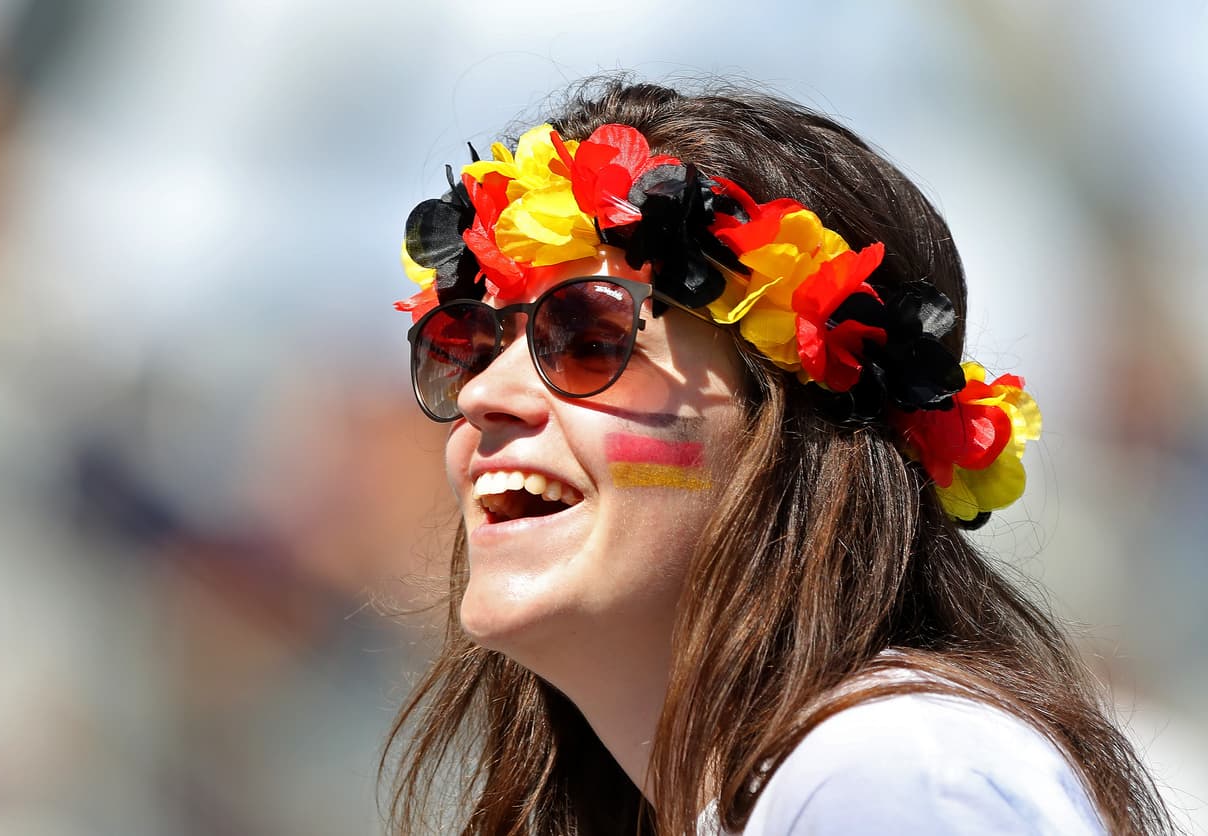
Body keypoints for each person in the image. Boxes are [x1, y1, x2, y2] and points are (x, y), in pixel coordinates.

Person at [382, 78, 1173, 835]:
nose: (486, 394)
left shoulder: (881, 772)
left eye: (591, 341)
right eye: (468, 347)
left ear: (801, 432)